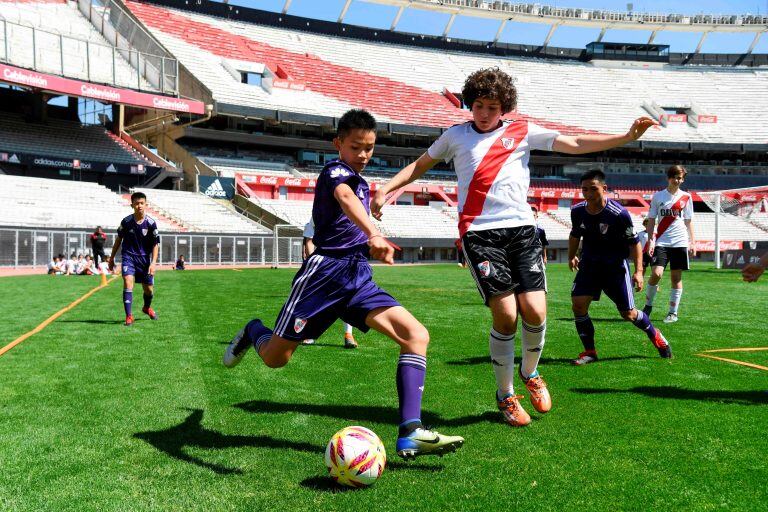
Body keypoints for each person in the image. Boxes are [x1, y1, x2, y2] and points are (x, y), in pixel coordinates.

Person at [371, 67, 658, 427]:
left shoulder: (522, 131)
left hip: (522, 231)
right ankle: (505, 394)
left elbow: (573, 144)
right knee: (506, 315)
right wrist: (386, 188)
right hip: (480, 234)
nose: (485, 112)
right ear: (470, 105)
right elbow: (419, 165)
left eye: (493, 106)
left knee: (536, 312)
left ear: (504, 106)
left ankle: (530, 373)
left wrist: (625, 137)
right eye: (478, 105)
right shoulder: (455, 137)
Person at [222, 109, 464, 459]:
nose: (363, 155)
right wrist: (374, 232)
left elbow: (358, 203)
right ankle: (253, 329)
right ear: (338, 144)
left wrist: (376, 206)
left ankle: (410, 431)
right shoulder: (334, 171)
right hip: (323, 276)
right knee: (276, 358)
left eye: (369, 148)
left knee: (416, 336)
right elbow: (345, 199)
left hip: (357, 275)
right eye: (355, 147)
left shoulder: (362, 182)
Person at [568, 170, 672, 366]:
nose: (588, 194)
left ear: (604, 189)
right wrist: (572, 255)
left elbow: (634, 244)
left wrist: (639, 271)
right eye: (584, 189)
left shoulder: (619, 214)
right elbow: (575, 234)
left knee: (629, 314)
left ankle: (655, 334)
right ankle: (590, 352)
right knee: (578, 305)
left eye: (593, 189)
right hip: (589, 265)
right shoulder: (577, 211)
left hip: (614, 268)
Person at [643, 165, 696, 323]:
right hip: (662, 242)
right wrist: (651, 238)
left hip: (680, 242)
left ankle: (673, 313)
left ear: (683, 179)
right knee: (657, 273)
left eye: (680, 178)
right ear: (669, 178)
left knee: (676, 277)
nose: (677, 180)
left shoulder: (686, 197)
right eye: (675, 177)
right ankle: (648, 305)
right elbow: (652, 219)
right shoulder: (658, 196)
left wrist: (693, 241)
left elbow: (688, 220)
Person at [302, 219, 359, 348]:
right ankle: (311, 334)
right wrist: (314, 263)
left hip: (346, 264)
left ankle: (348, 335)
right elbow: (309, 240)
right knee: (317, 299)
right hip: (324, 265)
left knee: (346, 299)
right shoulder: (317, 213)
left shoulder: (350, 213)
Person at [108, 191, 160, 326]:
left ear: (146, 204)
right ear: (132, 205)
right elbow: (118, 240)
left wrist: (153, 263)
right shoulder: (126, 222)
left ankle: (146, 307)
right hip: (128, 256)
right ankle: (129, 316)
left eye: (142, 203)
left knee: (148, 290)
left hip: (144, 260)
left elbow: (155, 245)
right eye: (136, 203)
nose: (139, 206)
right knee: (127, 281)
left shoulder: (151, 223)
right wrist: (112, 258)